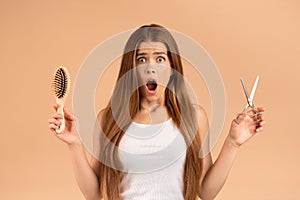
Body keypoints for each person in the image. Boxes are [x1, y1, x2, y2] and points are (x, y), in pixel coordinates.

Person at [48, 24, 266, 200]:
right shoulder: (109, 118)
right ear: (131, 71)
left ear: (172, 70)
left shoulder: (194, 117)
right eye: (141, 59)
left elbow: (206, 192)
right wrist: (74, 144)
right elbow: (94, 195)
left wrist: (232, 143)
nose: (150, 67)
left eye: (160, 58)